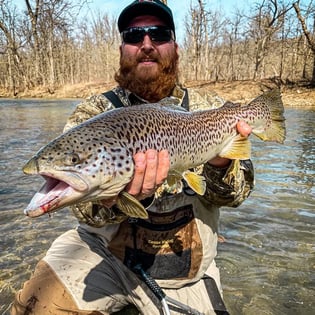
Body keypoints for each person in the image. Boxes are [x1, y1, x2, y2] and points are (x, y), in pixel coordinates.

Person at [11, 1, 254, 314]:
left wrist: (219, 162)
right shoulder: (94, 113)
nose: (147, 44)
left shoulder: (211, 109)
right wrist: (112, 200)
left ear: (175, 46)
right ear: (122, 48)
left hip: (187, 273)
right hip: (102, 256)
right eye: (134, 35)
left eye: (159, 34)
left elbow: (238, 195)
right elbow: (85, 213)